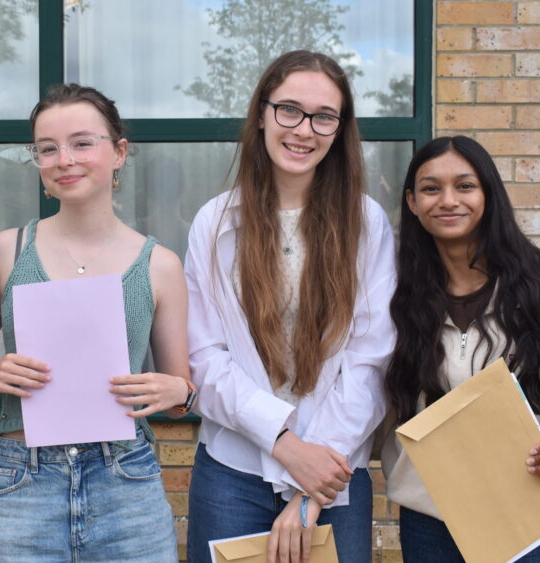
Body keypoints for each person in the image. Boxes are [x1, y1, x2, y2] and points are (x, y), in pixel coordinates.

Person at [0, 83, 194, 563]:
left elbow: (180, 393)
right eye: (48, 149)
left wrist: (175, 393)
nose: (64, 159)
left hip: (126, 481)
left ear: (119, 152)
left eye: (82, 143)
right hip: (23, 477)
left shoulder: (160, 265)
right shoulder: (8, 249)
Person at [184, 50, 396, 563]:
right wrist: (285, 445)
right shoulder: (215, 224)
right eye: (289, 110)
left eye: (324, 116)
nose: (304, 129)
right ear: (262, 114)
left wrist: (310, 485)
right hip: (233, 472)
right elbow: (204, 357)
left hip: (333, 473)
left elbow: (370, 361)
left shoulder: (366, 223)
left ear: (339, 129)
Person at [382, 135, 540, 561]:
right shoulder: (393, 295)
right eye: (431, 188)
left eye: (464, 185)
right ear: (412, 202)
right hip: (429, 522)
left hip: (525, 513)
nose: (447, 200)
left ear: (488, 195)